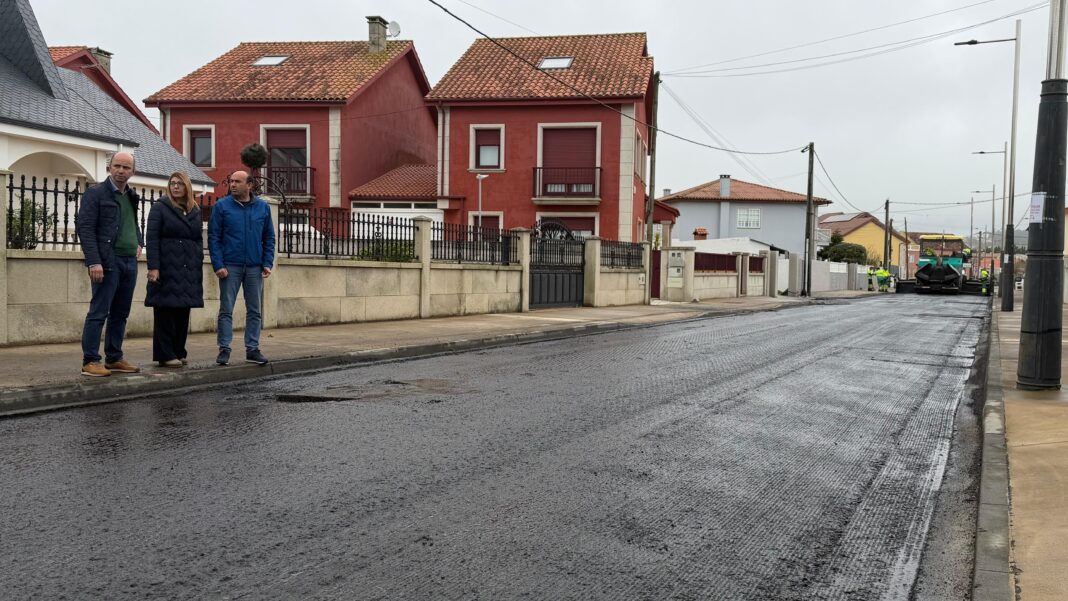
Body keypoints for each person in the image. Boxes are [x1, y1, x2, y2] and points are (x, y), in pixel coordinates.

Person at [76, 152, 143, 377]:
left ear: (133, 171)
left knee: (120, 313)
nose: (121, 170)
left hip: (129, 262)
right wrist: (94, 261)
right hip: (107, 261)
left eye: (126, 167)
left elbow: (132, 222)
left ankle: (114, 358)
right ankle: (90, 361)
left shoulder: (131, 195)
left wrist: (138, 241)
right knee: (99, 312)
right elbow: (85, 228)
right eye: (117, 166)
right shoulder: (96, 193)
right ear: (110, 167)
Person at [208, 170, 275, 366]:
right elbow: (214, 238)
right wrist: (218, 264)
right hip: (230, 266)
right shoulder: (221, 206)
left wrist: (267, 262)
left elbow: (269, 237)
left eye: (237, 181)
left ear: (250, 185)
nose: (233, 185)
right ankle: (224, 349)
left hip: (255, 267)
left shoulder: (262, 207)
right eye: (231, 181)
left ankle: (252, 349)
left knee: (254, 310)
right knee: (226, 309)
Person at [145, 172, 204, 367]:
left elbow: (198, 239)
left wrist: (198, 259)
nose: (176, 187)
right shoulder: (160, 207)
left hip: (188, 269)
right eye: (173, 183)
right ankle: (165, 354)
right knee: (165, 310)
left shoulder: (195, 210)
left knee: (183, 310)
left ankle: (179, 350)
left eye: (180, 184)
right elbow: (152, 239)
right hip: (167, 267)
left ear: (187, 187)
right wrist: (154, 267)